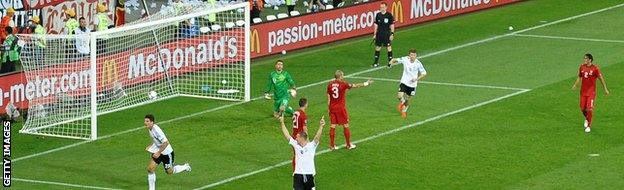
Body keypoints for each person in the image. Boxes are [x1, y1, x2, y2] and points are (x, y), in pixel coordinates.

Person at [326, 70, 373, 150]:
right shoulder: (343, 84)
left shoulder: (329, 85)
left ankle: (332, 145)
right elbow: (355, 86)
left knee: (333, 126)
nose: (343, 77)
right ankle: (348, 145)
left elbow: (328, 97)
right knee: (346, 125)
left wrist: (329, 108)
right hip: (340, 108)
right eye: (343, 75)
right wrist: (366, 83)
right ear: (340, 76)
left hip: (332, 108)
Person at [144, 114, 191, 190]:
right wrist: (151, 145)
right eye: (145, 121)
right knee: (150, 169)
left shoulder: (156, 131)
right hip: (158, 151)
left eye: (147, 121)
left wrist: (158, 152)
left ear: (152, 122)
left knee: (169, 172)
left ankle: (185, 166)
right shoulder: (150, 128)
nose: (145, 122)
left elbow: (166, 142)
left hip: (167, 154)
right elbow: (155, 140)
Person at [278, 114, 325, 190]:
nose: (295, 139)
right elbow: (287, 135)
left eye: (297, 137)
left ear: (302, 138)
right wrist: (282, 123)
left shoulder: (311, 146)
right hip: (298, 175)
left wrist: (321, 126)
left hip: (309, 175)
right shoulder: (296, 145)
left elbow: (317, 137)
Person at [571, 53, 609, 133]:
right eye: (584, 58)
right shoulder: (582, 67)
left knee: (589, 109)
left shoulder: (595, 69)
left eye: (586, 58)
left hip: (591, 93)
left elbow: (601, 79)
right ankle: (587, 119)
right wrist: (575, 85)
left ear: (590, 60)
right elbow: (579, 76)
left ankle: (589, 126)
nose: (584, 60)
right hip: (583, 92)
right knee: (582, 108)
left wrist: (605, 89)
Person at [388, 49, 427, 119]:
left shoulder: (418, 63)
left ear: (416, 56)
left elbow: (424, 73)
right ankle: (402, 103)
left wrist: (416, 79)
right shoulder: (405, 59)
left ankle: (404, 111)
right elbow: (394, 59)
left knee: (407, 99)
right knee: (399, 96)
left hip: (412, 84)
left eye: (414, 55)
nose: (413, 56)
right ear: (409, 55)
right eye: (411, 55)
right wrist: (390, 63)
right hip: (404, 82)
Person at [372, 2, 395, 67]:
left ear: (386, 7)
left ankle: (390, 63)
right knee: (377, 47)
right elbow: (376, 25)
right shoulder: (378, 15)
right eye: (381, 7)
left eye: (383, 7)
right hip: (379, 34)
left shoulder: (389, 15)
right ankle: (376, 62)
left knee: (388, 47)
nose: (382, 8)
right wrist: (375, 34)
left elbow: (392, 25)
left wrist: (392, 34)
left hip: (387, 34)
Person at [291, 98, 309, 170]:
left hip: (294, 136)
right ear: (305, 104)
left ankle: (295, 170)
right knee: (303, 154)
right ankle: (301, 170)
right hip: (300, 138)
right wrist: (307, 139)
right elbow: (304, 128)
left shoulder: (295, 112)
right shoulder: (303, 115)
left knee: (296, 154)